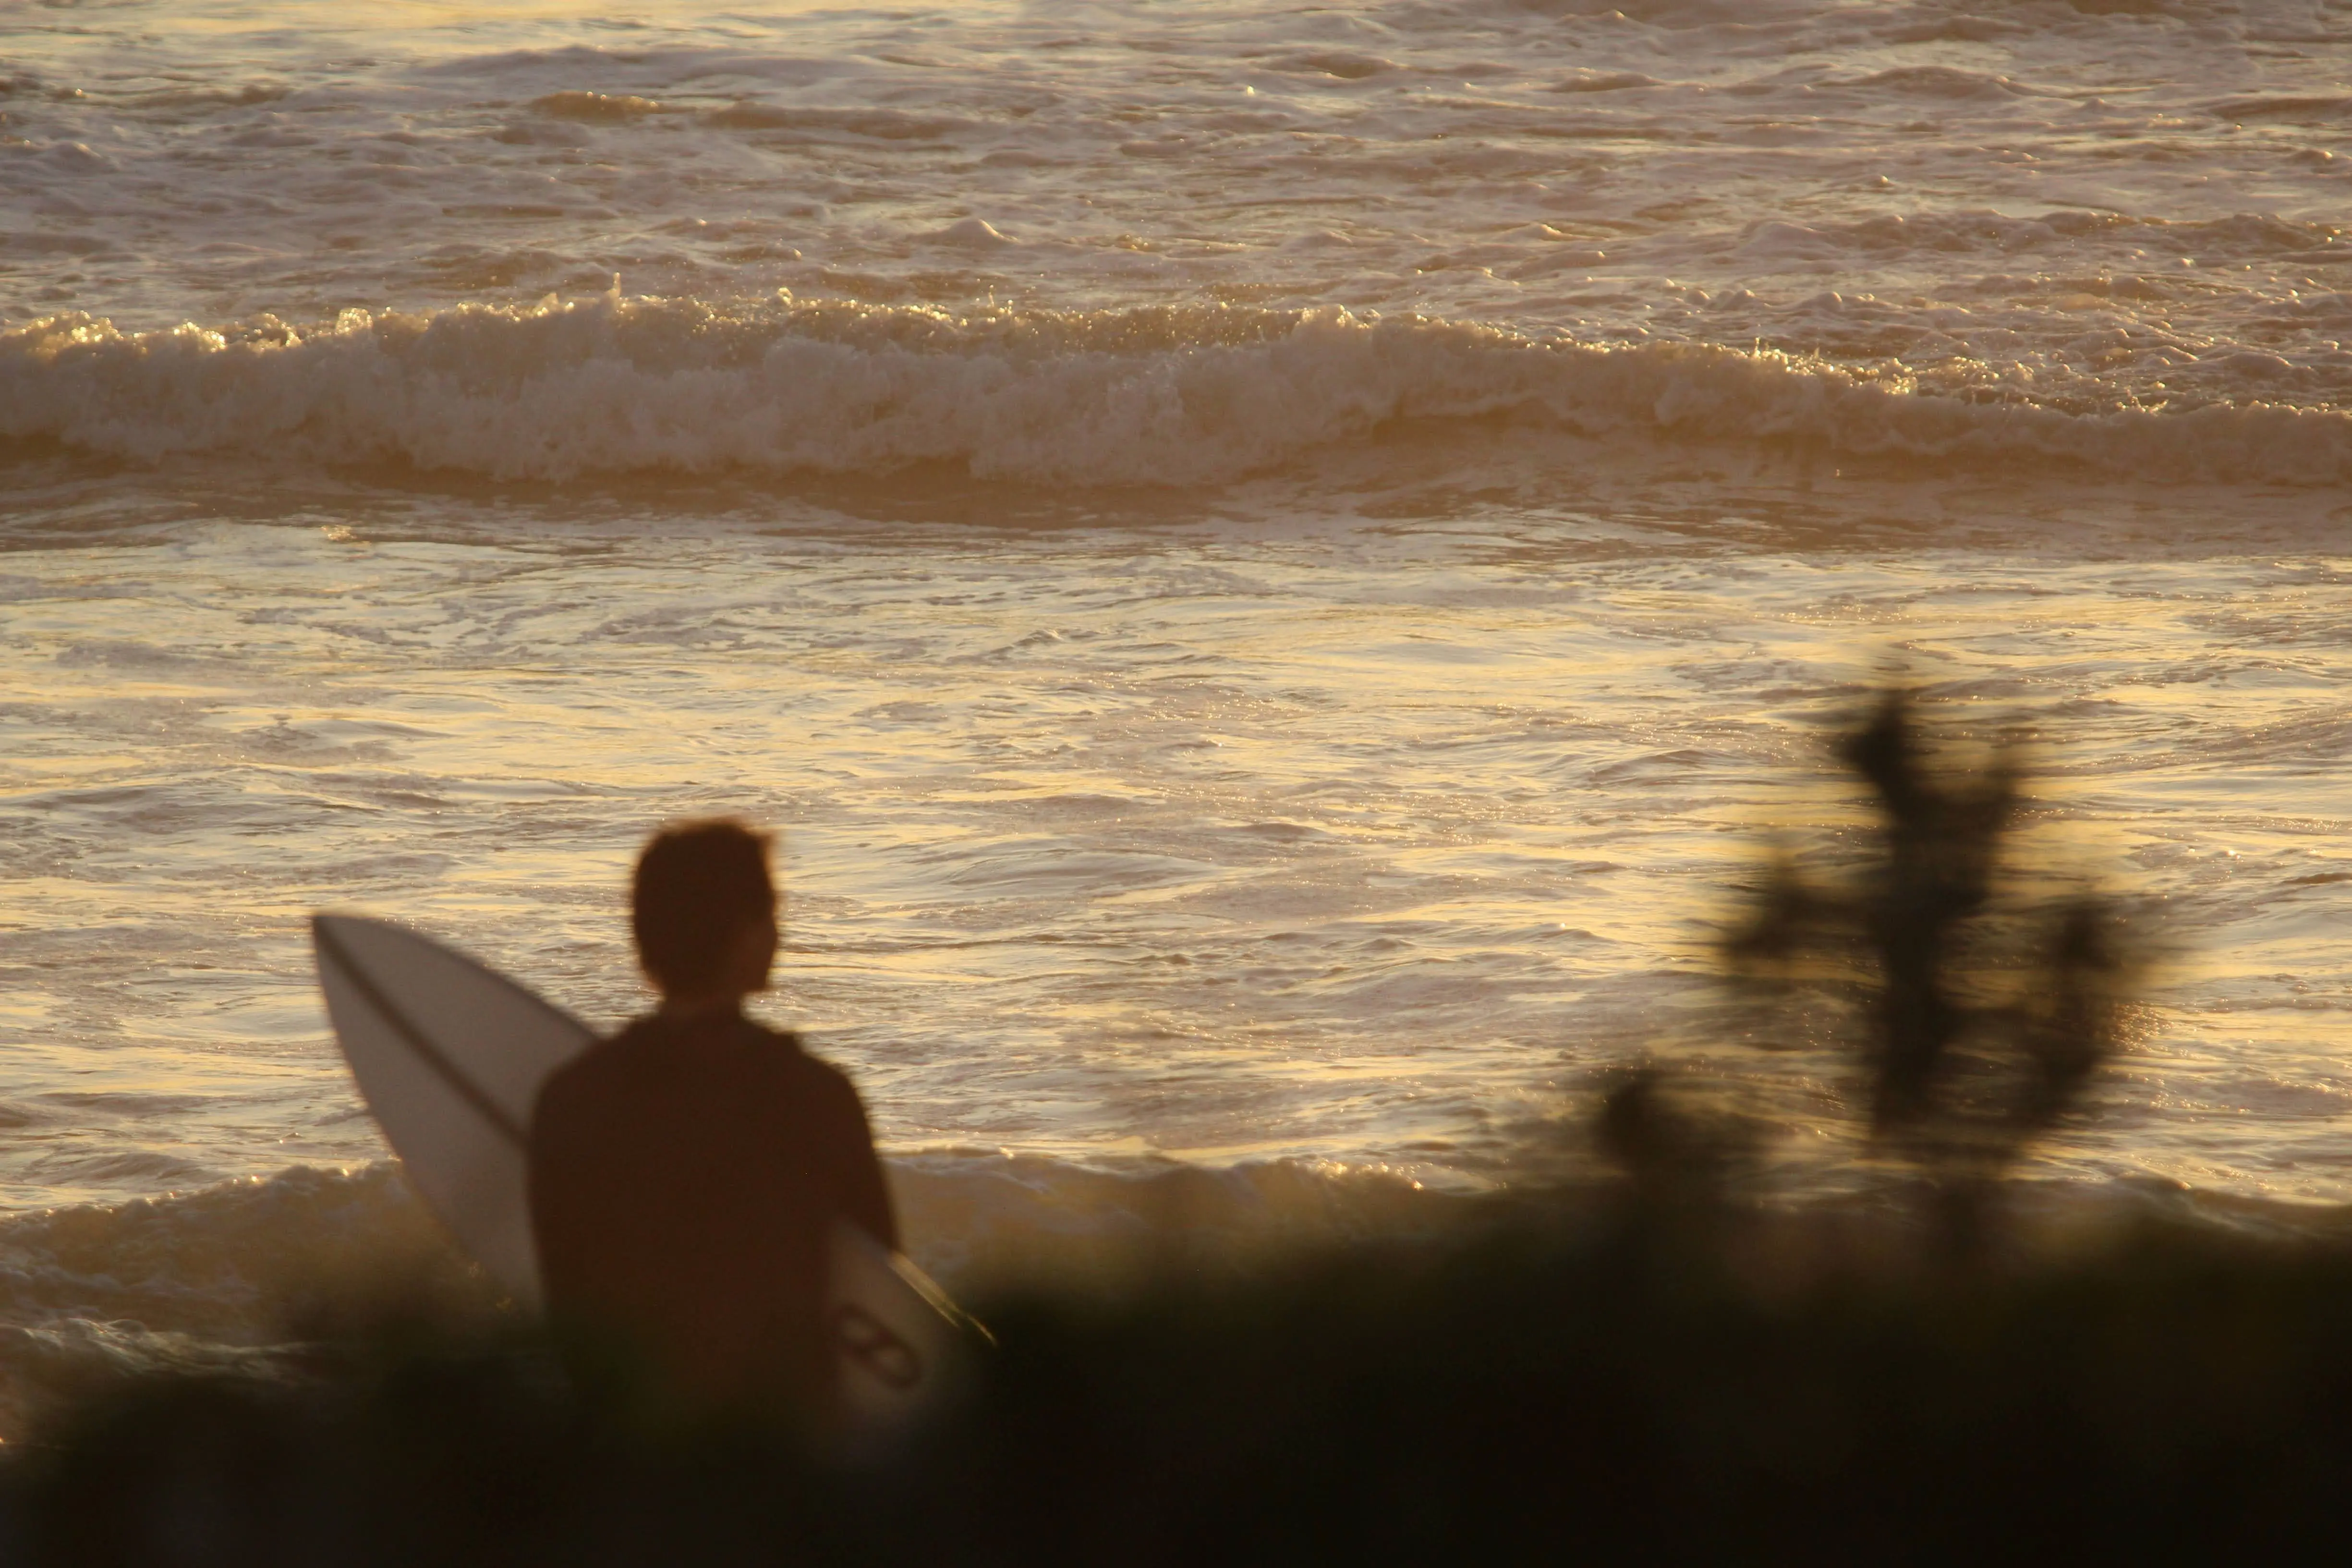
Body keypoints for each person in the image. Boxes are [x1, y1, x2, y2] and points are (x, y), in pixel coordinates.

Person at [527, 817, 897, 1418]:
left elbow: (563, 1292)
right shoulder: (814, 1096)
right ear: (746, 935)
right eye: (770, 914)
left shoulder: (573, 1096)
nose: (778, 933)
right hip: (785, 1433)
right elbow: (880, 1287)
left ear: (644, 938)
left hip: (637, 1429)